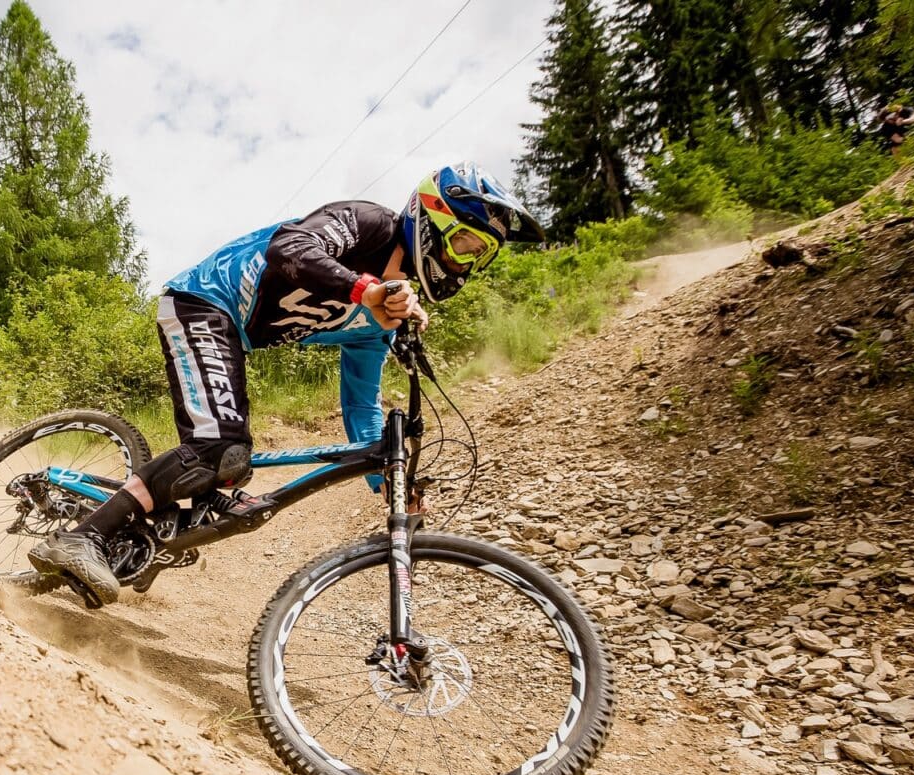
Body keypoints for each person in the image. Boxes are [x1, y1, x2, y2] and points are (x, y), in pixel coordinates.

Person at [28, 161, 544, 605]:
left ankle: (140, 536)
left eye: (480, 254)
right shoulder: (369, 225)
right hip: (204, 300)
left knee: (229, 469)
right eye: (464, 244)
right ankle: (81, 538)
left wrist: (385, 479)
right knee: (219, 449)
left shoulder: (380, 323)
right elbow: (290, 247)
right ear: (431, 223)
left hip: (234, 335)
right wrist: (365, 288)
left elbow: (362, 407)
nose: (465, 262)